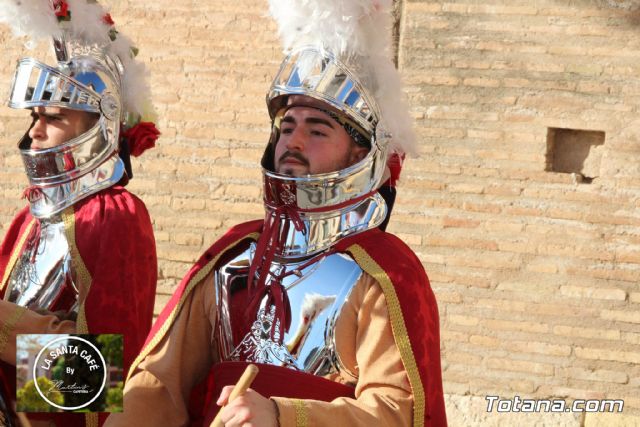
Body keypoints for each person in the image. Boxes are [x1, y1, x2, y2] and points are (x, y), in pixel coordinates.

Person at [107, 0, 446, 426]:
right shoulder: (233, 256)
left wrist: (281, 416)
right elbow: (156, 383)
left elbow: (400, 414)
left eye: (316, 130)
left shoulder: (381, 272)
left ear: (361, 152)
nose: (293, 141)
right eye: (286, 127)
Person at [0, 0, 160, 425]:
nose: (35, 130)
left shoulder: (117, 216)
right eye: (34, 116)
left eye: (53, 116)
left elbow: (96, 380)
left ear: (96, 127)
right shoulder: (31, 216)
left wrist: (4, 328)